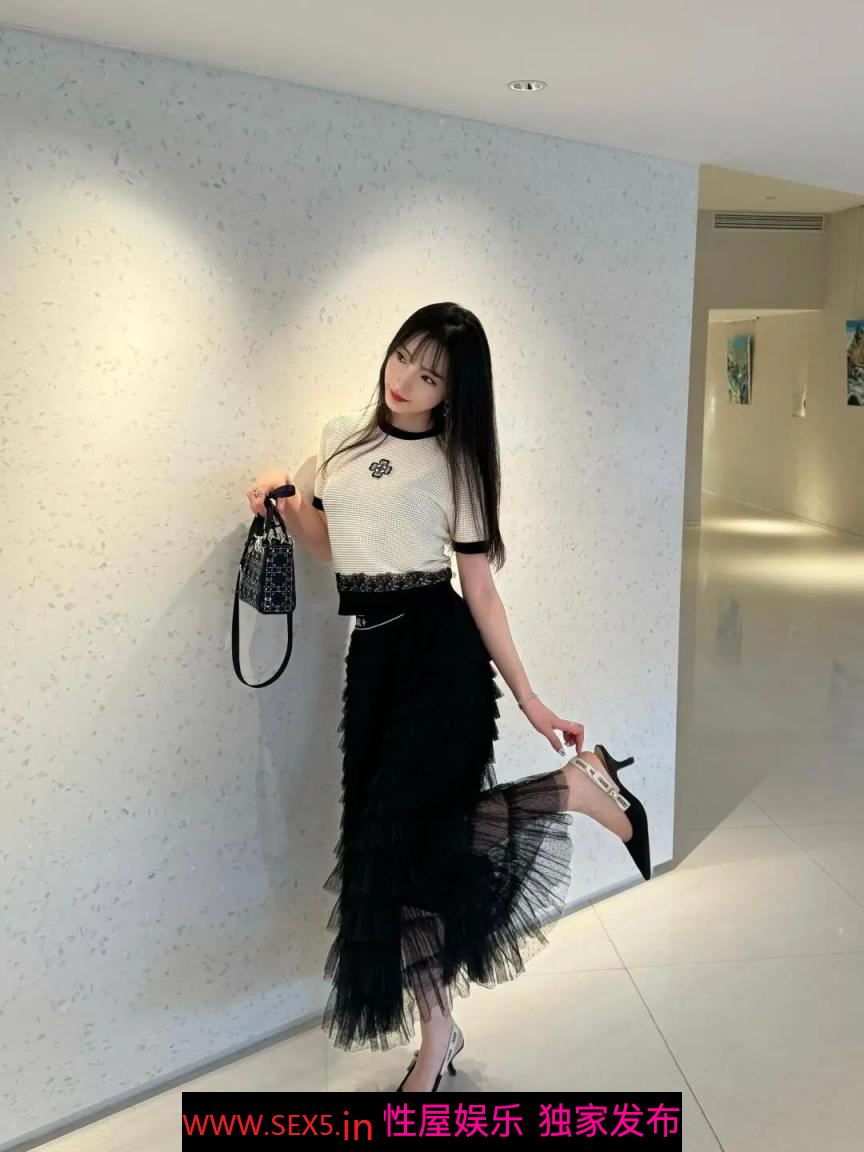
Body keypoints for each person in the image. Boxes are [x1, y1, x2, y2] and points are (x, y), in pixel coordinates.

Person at [246, 302, 650, 1093]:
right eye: (403, 356)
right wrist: (287, 504)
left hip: (441, 661)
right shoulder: (340, 436)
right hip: (373, 663)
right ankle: (444, 1029)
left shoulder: (456, 463)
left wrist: (531, 701)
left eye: (430, 376)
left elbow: (481, 593)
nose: (406, 380)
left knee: (407, 845)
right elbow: (334, 546)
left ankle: (572, 787)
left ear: (453, 391)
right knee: (396, 865)